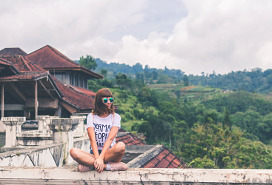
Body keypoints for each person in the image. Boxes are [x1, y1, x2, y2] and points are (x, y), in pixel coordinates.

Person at [70, 88, 128, 172]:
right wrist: (97, 158)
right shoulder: (91, 116)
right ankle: (106, 166)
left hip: (110, 153)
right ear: (99, 101)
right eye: (105, 100)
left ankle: (92, 166)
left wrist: (101, 158)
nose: (109, 102)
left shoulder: (116, 117)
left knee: (121, 146)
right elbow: (92, 139)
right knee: (73, 151)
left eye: (111, 99)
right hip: (94, 153)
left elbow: (110, 139)